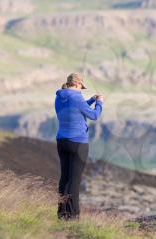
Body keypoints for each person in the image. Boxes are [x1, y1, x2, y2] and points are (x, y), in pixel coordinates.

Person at [54, 72, 103, 220]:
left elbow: (75, 108)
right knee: (74, 181)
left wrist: (90, 100)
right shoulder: (77, 98)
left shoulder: (59, 97)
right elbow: (94, 116)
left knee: (64, 179)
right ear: (77, 84)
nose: (81, 89)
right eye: (81, 86)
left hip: (62, 141)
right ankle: (73, 216)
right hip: (78, 143)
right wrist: (99, 102)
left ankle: (62, 214)